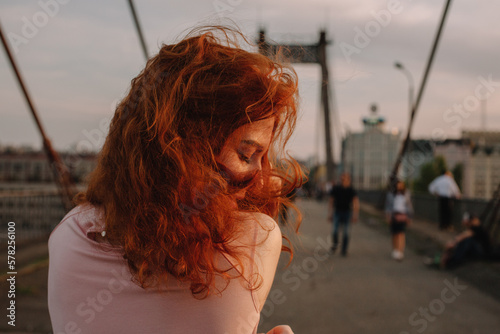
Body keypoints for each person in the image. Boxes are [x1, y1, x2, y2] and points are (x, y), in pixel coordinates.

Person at [47, 26, 305, 334]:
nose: (263, 182)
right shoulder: (257, 237)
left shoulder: (69, 236)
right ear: (186, 152)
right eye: (247, 155)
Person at [327, 173, 359, 256]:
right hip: (337, 212)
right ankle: (335, 245)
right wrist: (330, 213)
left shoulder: (351, 190)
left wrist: (355, 215)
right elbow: (331, 201)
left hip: (347, 213)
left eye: (345, 179)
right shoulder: (336, 189)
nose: (344, 180)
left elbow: (355, 203)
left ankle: (344, 250)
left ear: (349, 180)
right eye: (342, 179)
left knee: (346, 232)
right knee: (334, 231)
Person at [385, 180, 413, 261]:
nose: (399, 187)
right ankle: (395, 249)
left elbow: (409, 205)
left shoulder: (406, 194)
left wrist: (409, 217)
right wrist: (388, 217)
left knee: (401, 233)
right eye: (398, 185)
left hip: (403, 215)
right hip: (394, 215)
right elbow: (388, 206)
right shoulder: (390, 194)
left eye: (401, 185)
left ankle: (400, 250)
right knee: (394, 234)